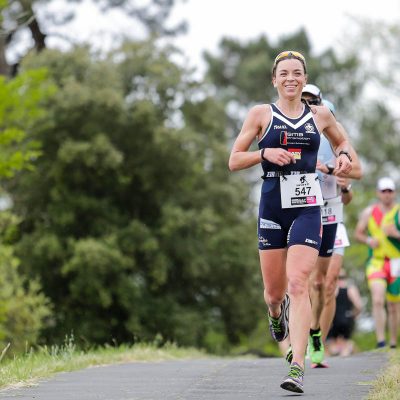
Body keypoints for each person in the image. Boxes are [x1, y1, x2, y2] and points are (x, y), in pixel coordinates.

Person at [228, 50, 352, 394]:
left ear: (304, 77)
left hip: (308, 208)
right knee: (274, 292)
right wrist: (263, 153)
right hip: (272, 208)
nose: (291, 78)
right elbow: (234, 160)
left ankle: (297, 366)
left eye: (297, 73)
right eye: (284, 73)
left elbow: (343, 142)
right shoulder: (260, 114)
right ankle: (274, 313)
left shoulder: (320, 115)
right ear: (274, 79)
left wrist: (342, 156)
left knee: (299, 283)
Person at [300, 88, 362, 368]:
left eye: (313, 102)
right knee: (315, 282)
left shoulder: (338, 139)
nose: (309, 106)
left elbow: (356, 176)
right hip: (309, 215)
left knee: (330, 285)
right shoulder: (300, 135)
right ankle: (312, 331)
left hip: (334, 216)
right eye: (304, 101)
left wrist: (342, 178)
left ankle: (319, 344)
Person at [355, 177, 400, 348]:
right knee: (378, 300)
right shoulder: (369, 212)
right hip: (376, 261)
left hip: (396, 262)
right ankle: (381, 341)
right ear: (378, 193)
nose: (387, 194)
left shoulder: (398, 211)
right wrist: (368, 240)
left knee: (394, 304)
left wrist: (396, 234)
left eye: (390, 191)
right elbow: (358, 233)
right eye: (384, 191)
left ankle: (393, 342)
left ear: (394, 193)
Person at [327, 268, 362, 356]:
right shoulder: (351, 289)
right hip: (346, 320)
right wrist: (353, 316)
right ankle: (348, 349)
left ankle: (344, 350)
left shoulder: (331, 289)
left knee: (332, 346)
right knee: (344, 344)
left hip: (333, 321)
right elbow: (359, 306)